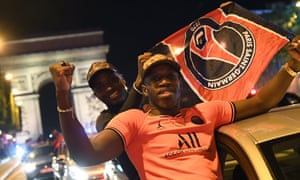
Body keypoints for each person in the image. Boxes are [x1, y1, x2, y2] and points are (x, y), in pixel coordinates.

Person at [49, 35, 300, 180]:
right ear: (143, 89)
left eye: (171, 76)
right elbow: (84, 155)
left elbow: (261, 102)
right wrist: (62, 93)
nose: (165, 81)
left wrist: (292, 64)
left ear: (181, 84)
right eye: (155, 78)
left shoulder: (206, 112)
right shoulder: (133, 121)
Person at [86, 61, 142, 179]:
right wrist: (138, 85)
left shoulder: (148, 100)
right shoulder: (104, 121)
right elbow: (123, 123)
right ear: (96, 95)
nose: (109, 88)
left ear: (122, 80)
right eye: (100, 87)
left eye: (112, 80)